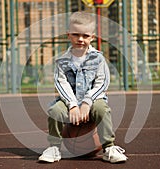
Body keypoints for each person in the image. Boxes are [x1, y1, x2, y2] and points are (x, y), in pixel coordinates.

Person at [38, 11, 128, 163]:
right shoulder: (62, 61)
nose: (80, 39)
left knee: (102, 109)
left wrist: (87, 102)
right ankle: (54, 148)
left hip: (93, 99)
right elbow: (61, 84)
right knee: (54, 110)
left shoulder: (98, 59)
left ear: (92, 37)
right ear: (68, 35)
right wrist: (72, 105)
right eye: (75, 35)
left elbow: (102, 83)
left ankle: (109, 147)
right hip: (69, 100)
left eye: (85, 36)